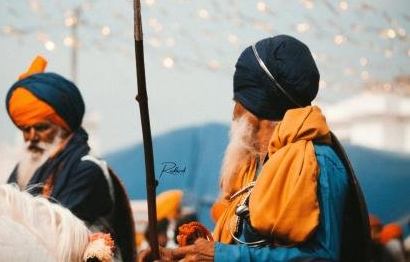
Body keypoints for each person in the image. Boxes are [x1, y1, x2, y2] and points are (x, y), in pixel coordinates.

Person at [145, 35, 370, 261]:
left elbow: (321, 257)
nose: (234, 113)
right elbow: (239, 247)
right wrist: (179, 256)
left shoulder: (317, 161)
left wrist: (222, 256)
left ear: (256, 106)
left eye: (238, 100)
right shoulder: (253, 166)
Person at [5, 56, 135, 261]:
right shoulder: (23, 170)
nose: (31, 137)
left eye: (40, 127)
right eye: (24, 129)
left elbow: (47, 230)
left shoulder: (87, 170)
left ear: (62, 127)